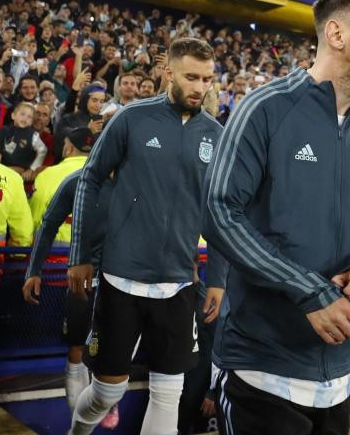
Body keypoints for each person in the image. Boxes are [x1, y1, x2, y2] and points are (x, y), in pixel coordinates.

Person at [205, 0, 350, 435]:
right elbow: (219, 211)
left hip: (339, 373)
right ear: (336, 34)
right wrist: (308, 291)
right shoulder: (265, 108)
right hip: (263, 367)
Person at [66, 37, 223, 435]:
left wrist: (218, 277)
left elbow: (219, 212)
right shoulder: (132, 118)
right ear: (168, 73)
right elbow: (90, 179)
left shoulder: (216, 135)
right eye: (191, 77)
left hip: (178, 283)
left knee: (169, 393)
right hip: (122, 278)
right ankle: (78, 431)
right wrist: (80, 254)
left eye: (206, 79)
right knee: (106, 393)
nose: (199, 87)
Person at [23, 127, 123, 423]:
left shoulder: (138, 184)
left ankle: (107, 393)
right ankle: (77, 411)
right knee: (77, 343)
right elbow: (48, 224)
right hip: (85, 278)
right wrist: (33, 270)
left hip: (123, 279)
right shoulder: (77, 181)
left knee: (117, 340)